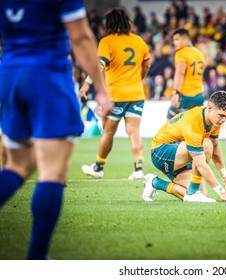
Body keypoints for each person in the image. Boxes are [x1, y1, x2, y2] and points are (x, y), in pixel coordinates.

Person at [0, 0, 111, 259]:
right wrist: (101, 90)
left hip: (10, 73)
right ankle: (37, 259)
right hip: (47, 75)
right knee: (52, 171)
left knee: (18, 165)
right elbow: (81, 37)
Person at [80, 7, 151, 181]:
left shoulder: (107, 42)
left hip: (116, 95)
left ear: (109, 24)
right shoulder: (139, 41)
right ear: (128, 22)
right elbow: (147, 64)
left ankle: (98, 167)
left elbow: (99, 65)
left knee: (108, 132)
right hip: (136, 93)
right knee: (134, 131)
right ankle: (138, 169)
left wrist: (86, 84)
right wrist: (138, 79)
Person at [142, 90, 226, 203]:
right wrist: (221, 191)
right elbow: (200, 163)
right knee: (206, 144)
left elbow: (215, 149)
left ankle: (155, 182)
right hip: (161, 152)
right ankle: (193, 192)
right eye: (221, 115)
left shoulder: (215, 121)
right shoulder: (194, 123)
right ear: (209, 108)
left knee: (202, 195)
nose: (223, 120)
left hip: (181, 154)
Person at [166, 28, 206, 120]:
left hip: (185, 96)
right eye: (173, 40)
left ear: (186, 39)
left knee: (170, 125)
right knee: (195, 126)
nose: (174, 42)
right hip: (199, 96)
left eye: (177, 39)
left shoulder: (182, 52)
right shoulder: (200, 53)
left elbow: (180, 73)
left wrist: (175, 92)